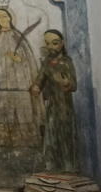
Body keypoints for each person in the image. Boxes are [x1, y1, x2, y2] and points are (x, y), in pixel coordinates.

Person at [0, 6, 43, 147]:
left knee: (25, 116)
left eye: (4, 16)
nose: (2, 19)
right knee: (5, 117)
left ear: (10, 17)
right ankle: (6, 147)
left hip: (21, 84)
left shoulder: (18, 36)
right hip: (2, 84)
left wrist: (19, 59)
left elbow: (28, 60)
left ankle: (29, 146)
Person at [31, 29, 78, 172]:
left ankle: (69, 166)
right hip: (52, 104)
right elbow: (40, 77)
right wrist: (36, 86)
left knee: (65, 133)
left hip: (64, 105)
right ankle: (51, 165)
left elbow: (74, 85)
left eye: (55, 43)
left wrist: (66, 83)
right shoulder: (47, 62)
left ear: (62, 44)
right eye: (48, 43)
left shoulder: (66, 62)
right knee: (51, 133)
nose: (51, 46)